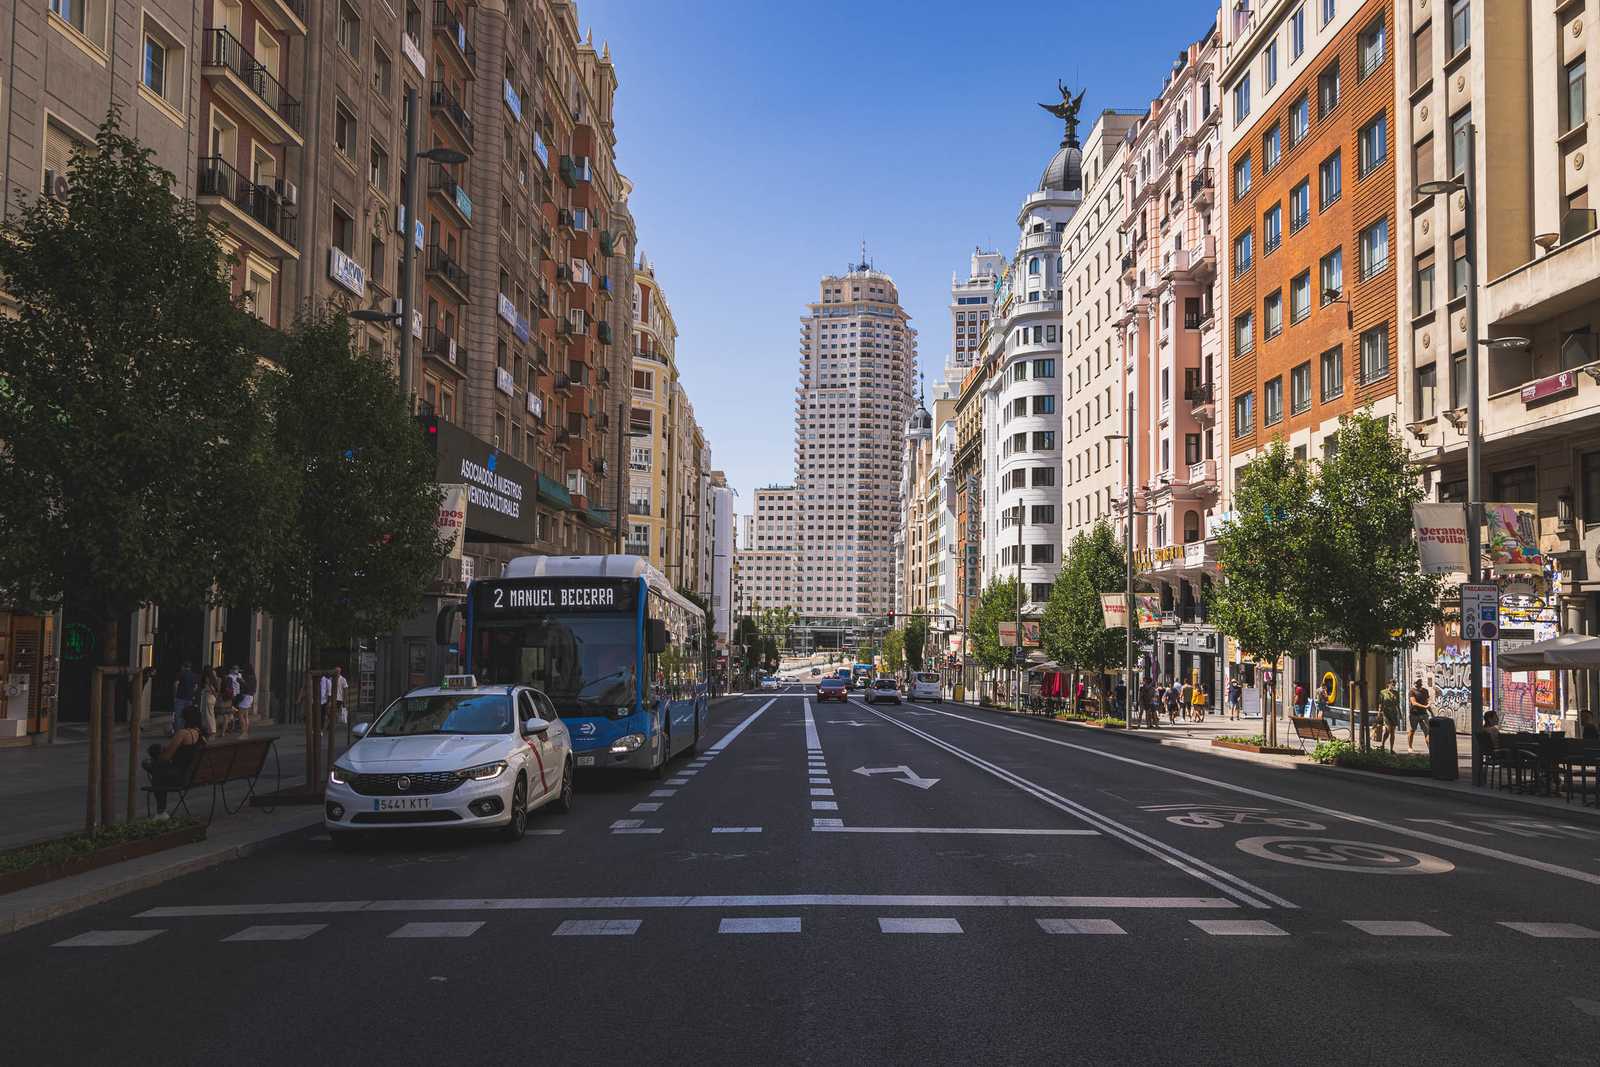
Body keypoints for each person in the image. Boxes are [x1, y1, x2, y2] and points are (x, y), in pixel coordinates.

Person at [142, 704, 209, 819]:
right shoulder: (203, 735)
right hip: (191, 775)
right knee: (157, 769)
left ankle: (161, 811)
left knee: (150, 765)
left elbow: (165, 757)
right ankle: (161, 811)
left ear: (185, 719)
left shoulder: (183, 734)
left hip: (180, 776)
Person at [319, 665, 349, 731]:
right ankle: (332, 722)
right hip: (331, 698)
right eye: (335, 671)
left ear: (340, 672)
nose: (336, 673)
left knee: (332, 712)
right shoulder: (330, 679)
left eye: (338, 671)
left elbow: (345, 690)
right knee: (329, 712)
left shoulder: (343, 679)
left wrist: (344, 701)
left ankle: (331, 724)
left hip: (339, 699)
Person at [172, 662, 198, 737]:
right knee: (187, 716)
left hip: (180, 698)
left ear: (183, 667)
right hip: (189, 698)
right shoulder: (194, 675)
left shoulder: (180, 674)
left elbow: (176, 684)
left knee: (178, 716)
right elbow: (195, 687)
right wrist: (191, 693)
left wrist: (175, 695)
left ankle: (177, 733)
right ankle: (185, 732)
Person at [1407, 678, 1433, 751]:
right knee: (1412, 730)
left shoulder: (1425, 691)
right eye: (1416, 682)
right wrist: (1425, 706)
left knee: (1427, 731)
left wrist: (1431, 712)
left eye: (1419, 682)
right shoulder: (1412, 691)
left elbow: (1427, 702)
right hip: (1414, 714)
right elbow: (1414, 703)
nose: (1417, 684)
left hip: (1424, 714)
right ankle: (1410, 747)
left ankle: (1430, 749)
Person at [1376, 680, 1401, 752]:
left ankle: (1391, 749)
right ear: (1388, 684)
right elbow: (1380, 703)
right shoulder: (1383, 692)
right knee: (1387, 730)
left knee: (1392, 731)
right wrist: (1379, 713)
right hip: (1386, 713)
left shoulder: (1396, 693)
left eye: (1394, 684)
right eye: (1392, 684)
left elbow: (1397, 704)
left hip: (1394, 713)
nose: (1393, 685)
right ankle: (1383, 745)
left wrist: (1400, 714)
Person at [196, 665, 220, 737]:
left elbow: (210, 688)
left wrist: (208, 690)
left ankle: (211, 729)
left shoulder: (207, 678)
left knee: (208, 714)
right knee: (210, 713)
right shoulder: (214, 678)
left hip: (208, 696)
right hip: (212, 698)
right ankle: (211, 729)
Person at [235, 663, 257, 738]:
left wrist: (241, 681)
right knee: (246, 715)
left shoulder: (248, 677)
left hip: (246, 696)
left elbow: (246, 686)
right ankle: (246, 732)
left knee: (241, 715)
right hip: (250, 696)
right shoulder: (254, 677)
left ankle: (244, 732)